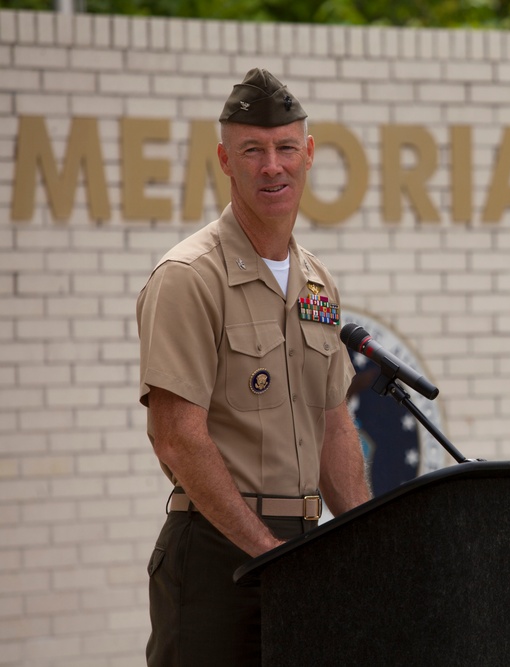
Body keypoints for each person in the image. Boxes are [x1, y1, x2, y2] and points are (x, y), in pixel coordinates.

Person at [136, 68, 372, 666]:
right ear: (224, 159)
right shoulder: (190, 276)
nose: (273, 166)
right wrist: (268, 552)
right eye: (253, 150)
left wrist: (374, 549)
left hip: (300, 551)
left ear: (309, 154)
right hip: (217, 556)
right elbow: (175, 437)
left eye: (286, 148)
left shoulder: (317, 280)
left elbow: (333, 424)